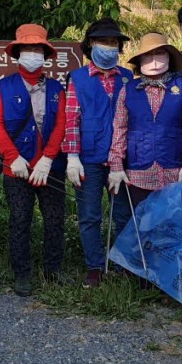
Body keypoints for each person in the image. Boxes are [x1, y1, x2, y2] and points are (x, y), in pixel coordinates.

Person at [0, 24, 67, 297]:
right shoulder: (4, 86)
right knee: (20, 219)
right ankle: (22, 274)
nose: (33, 54)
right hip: (17, 169)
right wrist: (13, 158)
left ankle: (53, 270)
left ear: (45, 54)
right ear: (18, 53)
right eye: (28, 49)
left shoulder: (57, 87)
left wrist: (48, 159)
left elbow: (61, 125)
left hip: (50, 168)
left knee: (55, 219)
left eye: (38, 49)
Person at [63, 18, 133, 288]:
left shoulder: (127, 77)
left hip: (121, 159)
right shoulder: (78, 78)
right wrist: (72, 156)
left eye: (114, 42)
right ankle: (94, 266)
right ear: (91, 43)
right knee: (90, 215)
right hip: (89, 158)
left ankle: (121, 264)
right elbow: (72, 119)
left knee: (123, 215)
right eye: (103, 41)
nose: (109, 47)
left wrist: (125, 159)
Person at [107, 33, 182, 227]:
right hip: (138, 172)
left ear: (169, 57)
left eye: (160, 53)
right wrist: (116, 165)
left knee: (171, 228)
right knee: (141, 227)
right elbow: (119, 129)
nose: (154, 60)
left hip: (174, 171)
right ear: (139, 60)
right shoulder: (128, 89)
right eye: (148, 55)